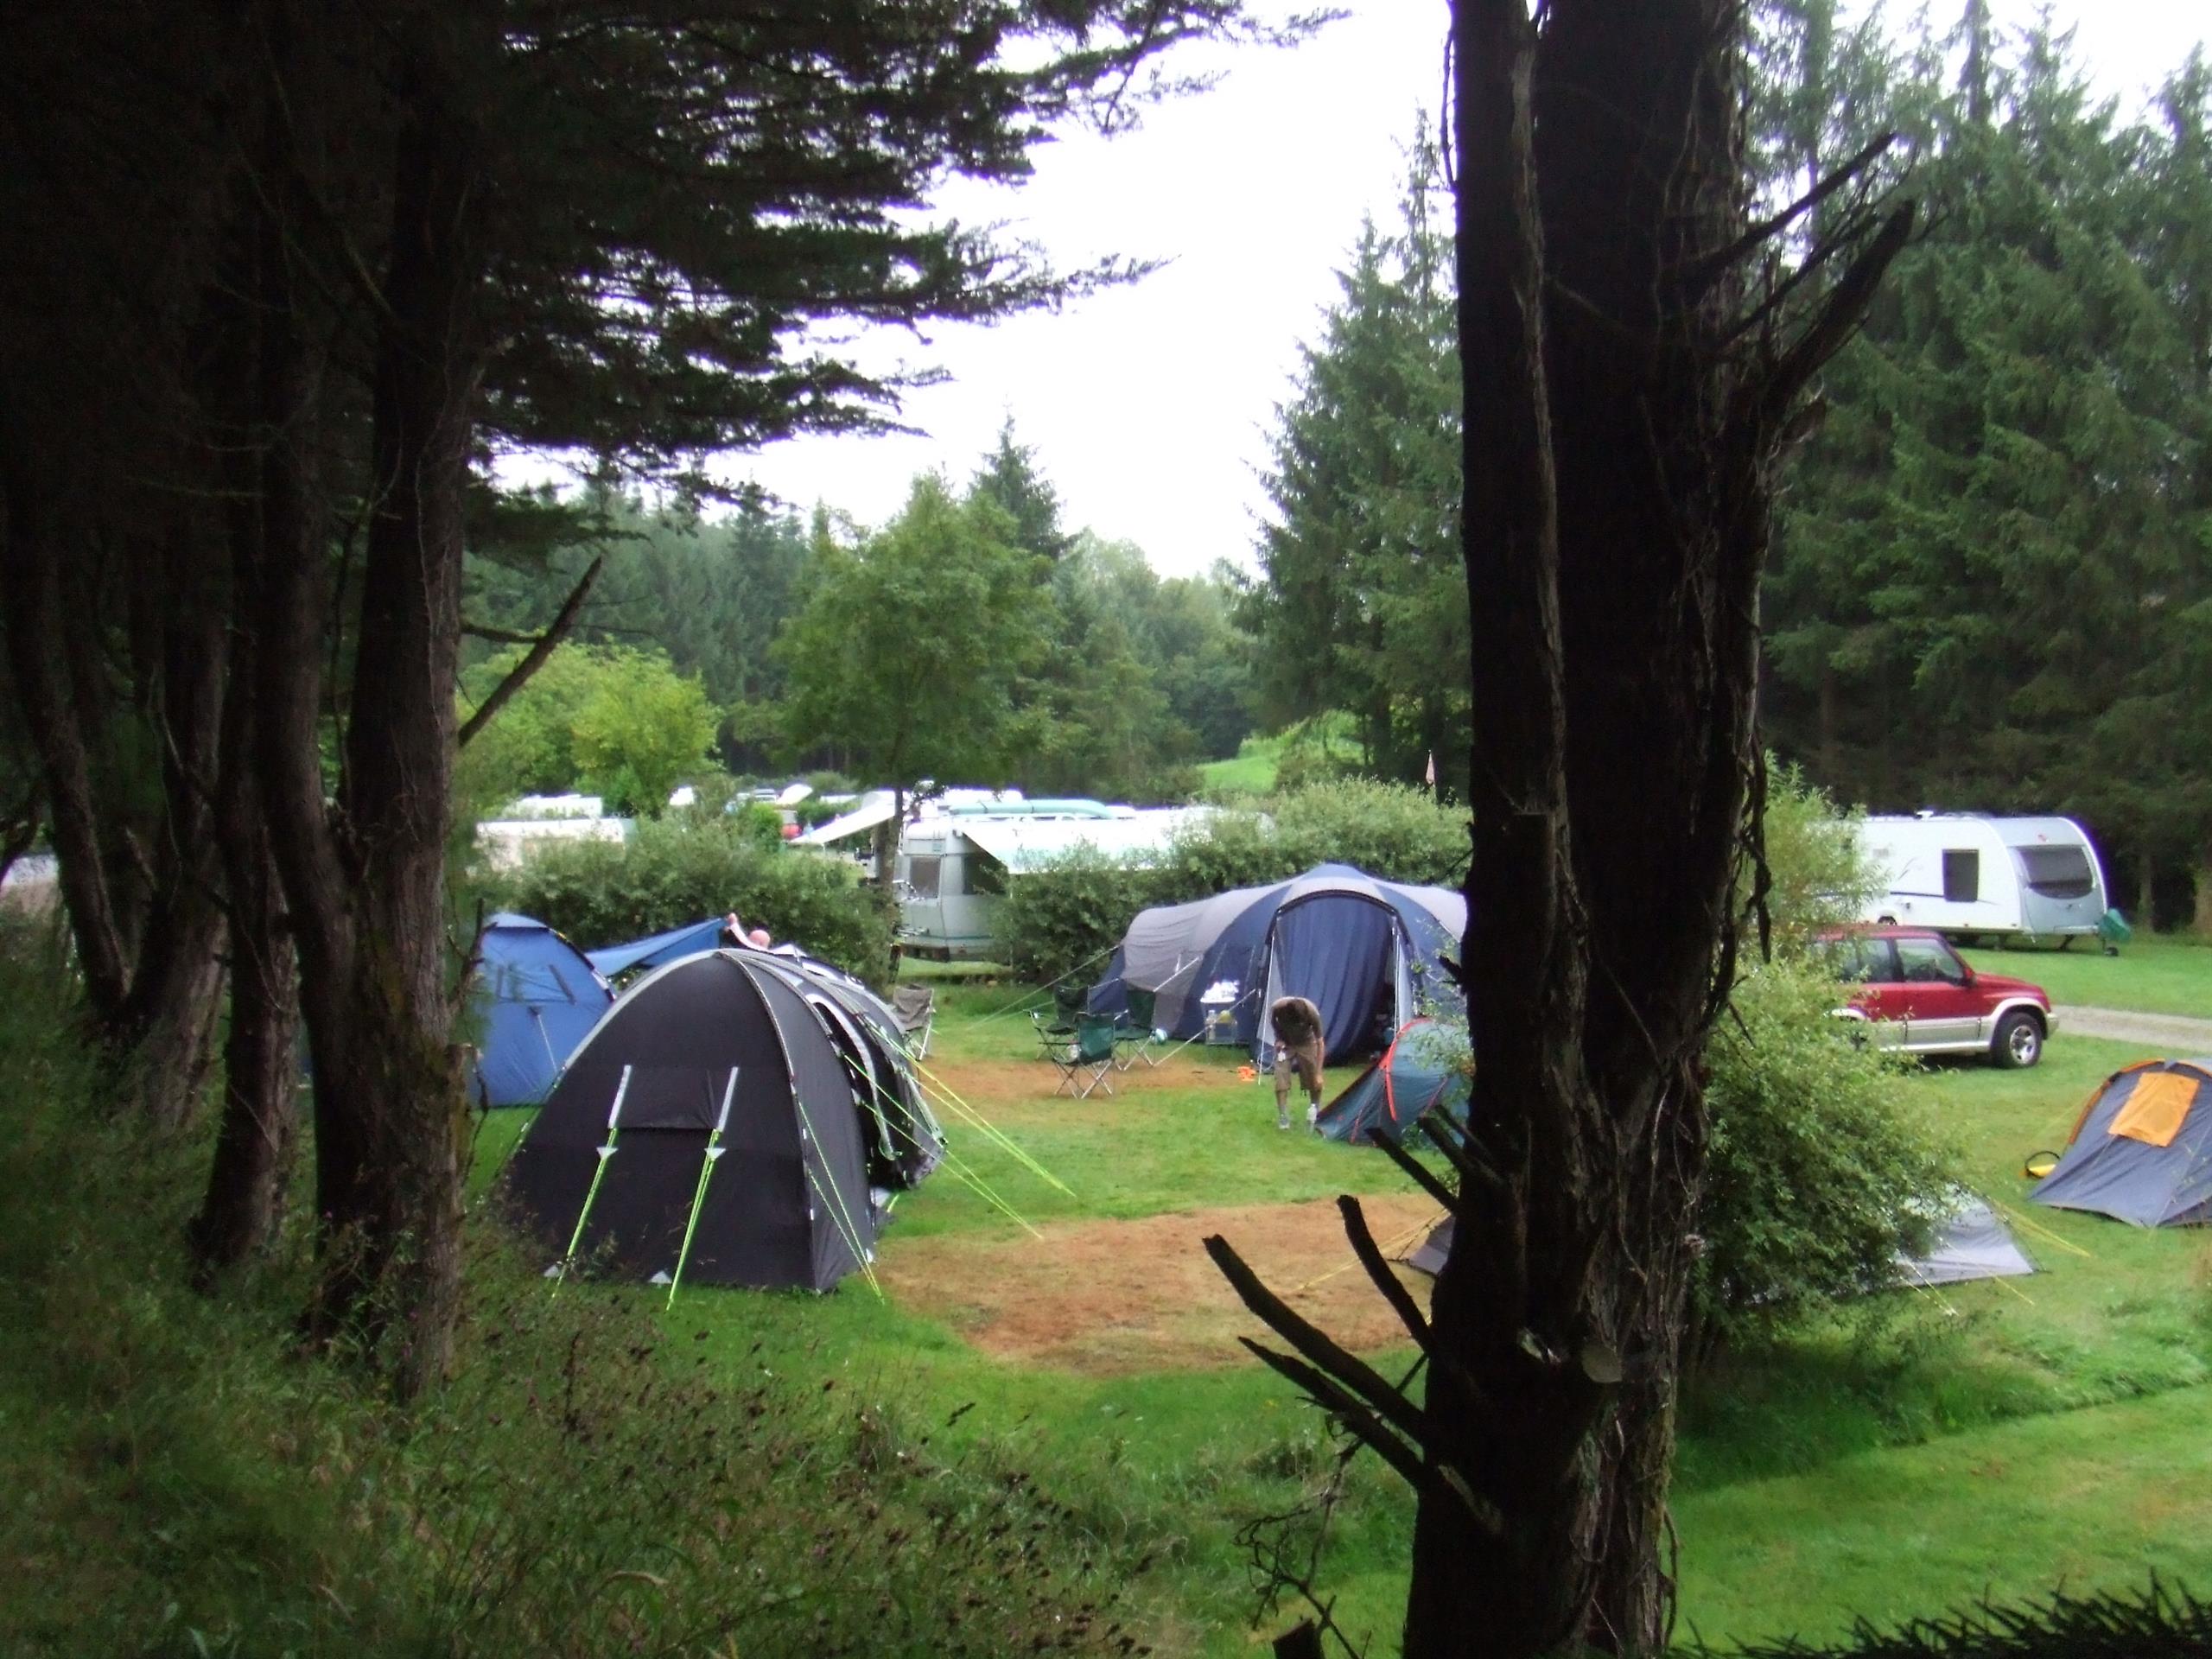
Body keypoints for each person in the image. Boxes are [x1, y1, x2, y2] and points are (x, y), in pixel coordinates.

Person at [1268, 994, 1325, 1131]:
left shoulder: (1312, 1012)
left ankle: (1314, 1111)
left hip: (1306, 1043)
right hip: (1286, 1043)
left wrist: (1318, 1073)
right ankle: (1283, 1116)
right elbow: (1273, 1022)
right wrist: (1278, 1039)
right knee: (1281, 1078)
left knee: (1313, 1079)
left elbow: (1320, 1043)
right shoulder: (1277, 1008)